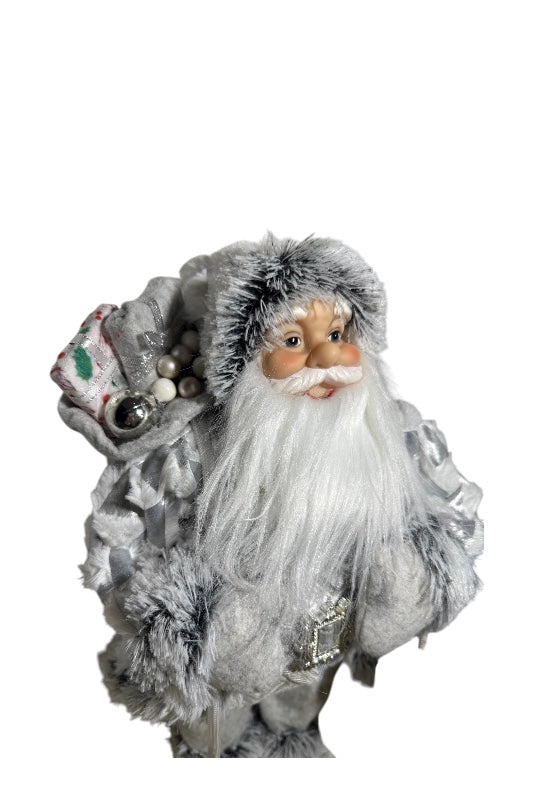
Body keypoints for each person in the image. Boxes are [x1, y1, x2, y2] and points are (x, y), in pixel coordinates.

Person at [53, 234, 483, 758]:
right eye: (294, 341)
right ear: (245, 362)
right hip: (234, 630)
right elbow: (129, 528)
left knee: (300, 702)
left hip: (330, 619)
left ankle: (293, 730)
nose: (325, 357)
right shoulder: (197, 450)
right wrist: (166, 620)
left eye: (337, 333)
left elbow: (447, 497)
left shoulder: (392, 430)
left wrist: (429, 563)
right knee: (216, 724)